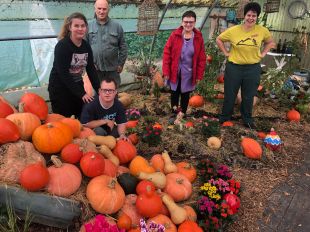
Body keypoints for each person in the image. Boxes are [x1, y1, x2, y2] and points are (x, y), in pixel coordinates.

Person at [216, 2, 275, 128]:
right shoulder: (234, 30)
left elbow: (270, 42)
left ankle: (247, 118)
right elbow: (219, 39)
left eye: (254, 15)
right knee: (230, 94)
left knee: (248, 95)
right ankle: (225, 117)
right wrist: (226, 53)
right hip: (234, 67)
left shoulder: (262, 31)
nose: (251, 18)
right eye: (249, 15)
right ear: (244, 15)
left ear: (257, 17)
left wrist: (263, 53)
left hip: (252, 68)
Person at [48, 12, 100, 118]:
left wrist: (99, 90)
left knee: (80, 117)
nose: (80, 29)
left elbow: (91, 69)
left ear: (86, 28)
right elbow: (63, 74)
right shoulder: (62, 46)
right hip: (60, 88)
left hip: (76, 85)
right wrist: (82, 94)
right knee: (64, 121)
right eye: (76, 26)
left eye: (83, 26)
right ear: (70, 27)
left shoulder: (86, 46)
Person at [162, 10, 206, 116]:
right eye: (186, 21)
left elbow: (201, 58)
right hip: (175, 70)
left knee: (185, 94)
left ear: (194, 23)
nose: (188, 24)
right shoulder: (175, 35)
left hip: (189, 72)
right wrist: (166, 71)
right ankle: (174, 113)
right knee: (174, 92)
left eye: (191, 22)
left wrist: (199, 75)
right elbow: (167, 53)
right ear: (182, 22)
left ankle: (182, 114)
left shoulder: (198, 38)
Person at [86, 0, 128, 88]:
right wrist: (89, 64)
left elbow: (123, 47)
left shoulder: (117, 26)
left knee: (113, 93)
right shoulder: (88, 26)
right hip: (96, 69)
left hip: (113, 70)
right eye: (99, 8)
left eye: (104, 9)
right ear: (95, 9)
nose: (101, 11)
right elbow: (84, 48)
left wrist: (121, 64)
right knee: (98, 93)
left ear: (108, 10)